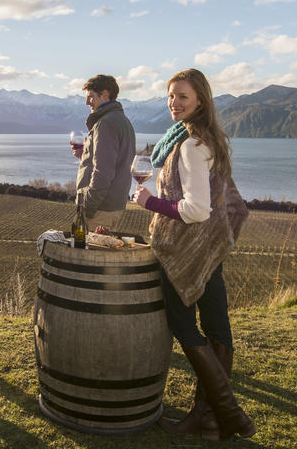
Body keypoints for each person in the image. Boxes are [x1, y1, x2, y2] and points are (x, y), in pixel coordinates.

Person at [133, 68, 255, 441]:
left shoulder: (188, 145)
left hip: (185, 249)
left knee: (184, 326)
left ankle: (229, 414)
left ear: (200, 99)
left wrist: (150, 201)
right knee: (218, 327)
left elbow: (197, 208)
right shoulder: (204, 139)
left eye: (183, 97)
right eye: (171, 96)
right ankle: (210, 421)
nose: (175, 103)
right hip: (210, 248)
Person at [73, 74, 135, 230]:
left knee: (88, 252)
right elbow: (114, 161)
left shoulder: (105, 123)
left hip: (100, 209)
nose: (87, 102)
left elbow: (103, 172)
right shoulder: (122, 120)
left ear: (105, 94)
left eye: (91, 97)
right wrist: (85, 155)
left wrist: (86, 207)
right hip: (113, 205)